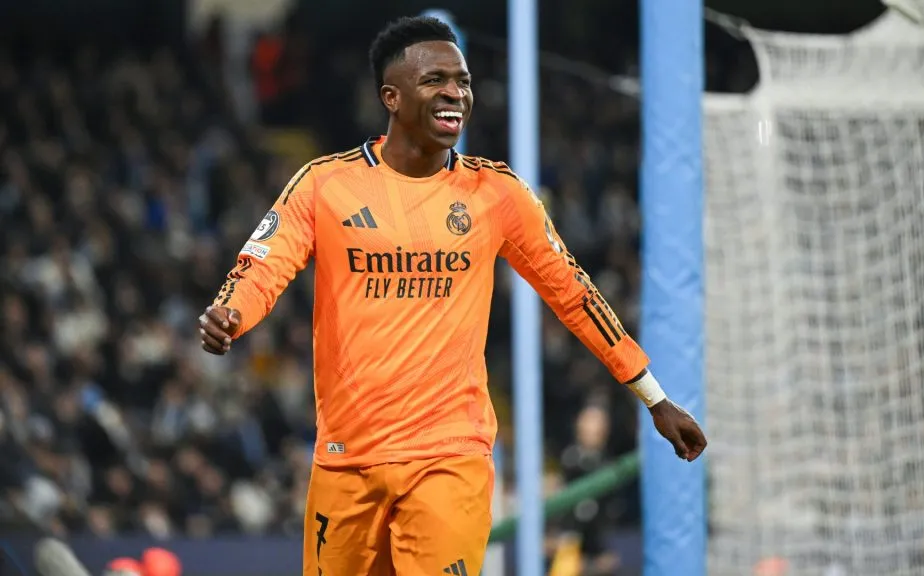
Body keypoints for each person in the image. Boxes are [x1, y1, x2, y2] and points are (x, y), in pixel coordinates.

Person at [198, 15, 706, 576]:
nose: (455, 93)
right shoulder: (325, 185)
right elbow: (263, 264)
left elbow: (575, 293)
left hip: (449, 454)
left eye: (462, 80)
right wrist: (233, 314)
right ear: (391, 97)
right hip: (346, 460)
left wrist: (653, 396)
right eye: (435, 79)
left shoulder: (496, 193)